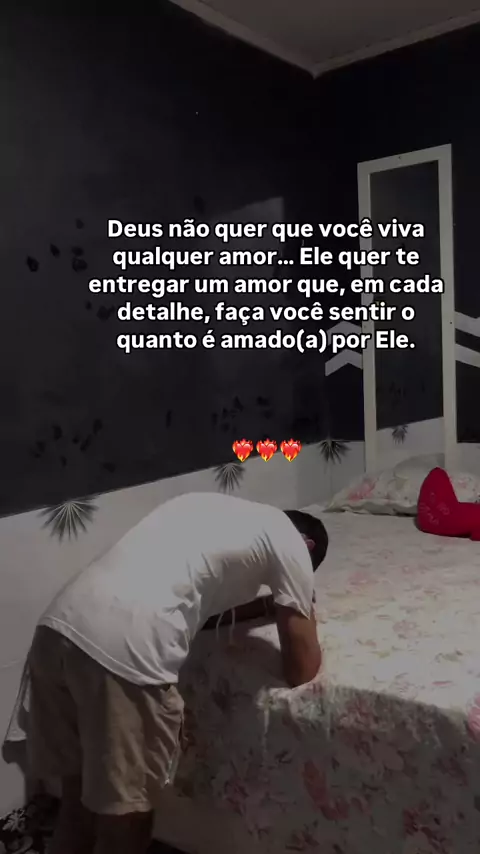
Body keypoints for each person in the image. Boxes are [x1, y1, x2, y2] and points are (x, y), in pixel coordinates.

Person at [26, 493, 328, 854]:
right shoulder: (290, 541)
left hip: (57, 629)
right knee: (126, 820)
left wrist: (267, 605)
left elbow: (203, 613)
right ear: (307, 545)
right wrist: (300, 603)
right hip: (122, 653)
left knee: (76, 803)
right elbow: (301, 669)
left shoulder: (215, 508)